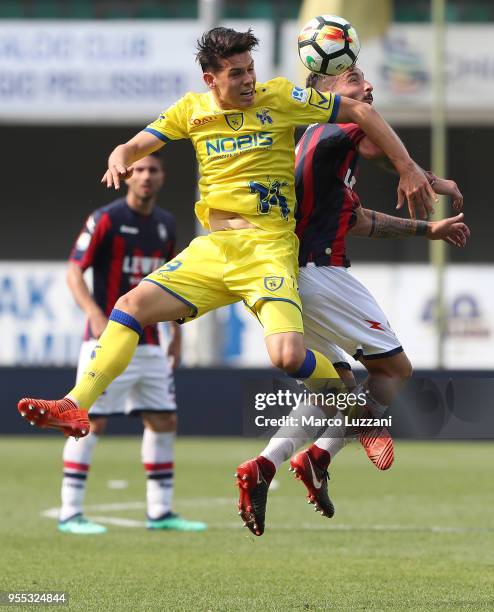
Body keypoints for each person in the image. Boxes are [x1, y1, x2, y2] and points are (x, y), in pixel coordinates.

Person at [18, 28, 437, 538]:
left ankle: (357, 413)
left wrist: (409, 168)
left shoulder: (280, 98)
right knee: (129, 305)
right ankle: (76, 405)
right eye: (235, 72)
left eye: (249, 69)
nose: (247, 80)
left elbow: (362, 115)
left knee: (286, 357)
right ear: (210, 79)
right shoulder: (191, 109)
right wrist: (119, 154)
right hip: (214, 250)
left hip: (267, 249)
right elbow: (138, 142)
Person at [238, 66, 469, 527]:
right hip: (318, 274)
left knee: (332, 385)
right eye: (353, 79)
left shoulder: (316, 150)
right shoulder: (334, 127)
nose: (366, 90)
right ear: (325, 92)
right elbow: (370, 131)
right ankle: (342, 441)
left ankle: (264, 466)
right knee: (394, 370)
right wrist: (421, 175)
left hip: (281, 281)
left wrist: (429, 229)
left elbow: (359, 220)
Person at [58, 153, 206, 534]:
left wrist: (178, 334)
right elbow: (75, 271)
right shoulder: (106, 219)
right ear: (127, 177)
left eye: (153, 170)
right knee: (89, 421)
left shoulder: (166, 225)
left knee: (163, 418)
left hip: (154, 342)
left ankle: (160, 512)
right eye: (138, 169)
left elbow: (177, 284)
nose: (145, 176)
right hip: (105, 341)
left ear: (161, 177)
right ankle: (70, 512)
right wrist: (93, 312)